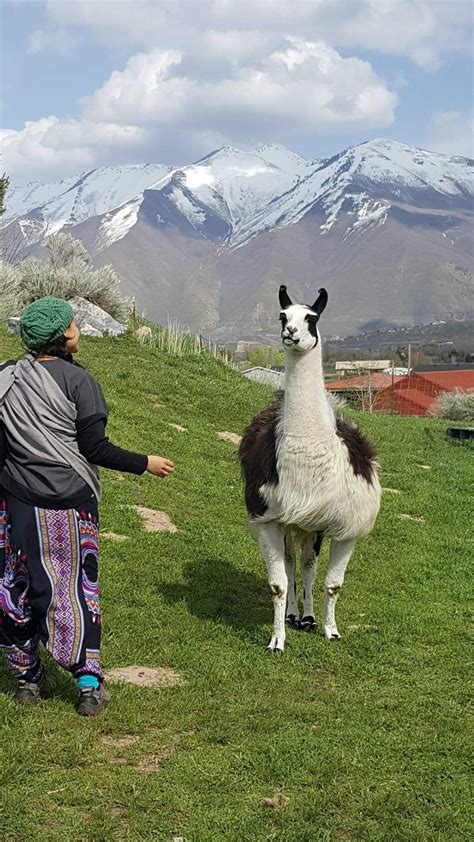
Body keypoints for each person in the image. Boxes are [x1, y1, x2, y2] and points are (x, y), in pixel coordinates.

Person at [0, 296, 174, 716]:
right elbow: (94, 447)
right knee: (77, 587)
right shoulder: (80, 383)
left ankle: (27, 679)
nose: (77, 327)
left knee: (17, 585)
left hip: (18, 503)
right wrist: (144, 464)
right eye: (73, 323)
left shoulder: (7, 378)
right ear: (64, 336)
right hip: (71, 506)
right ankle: (88, 685)